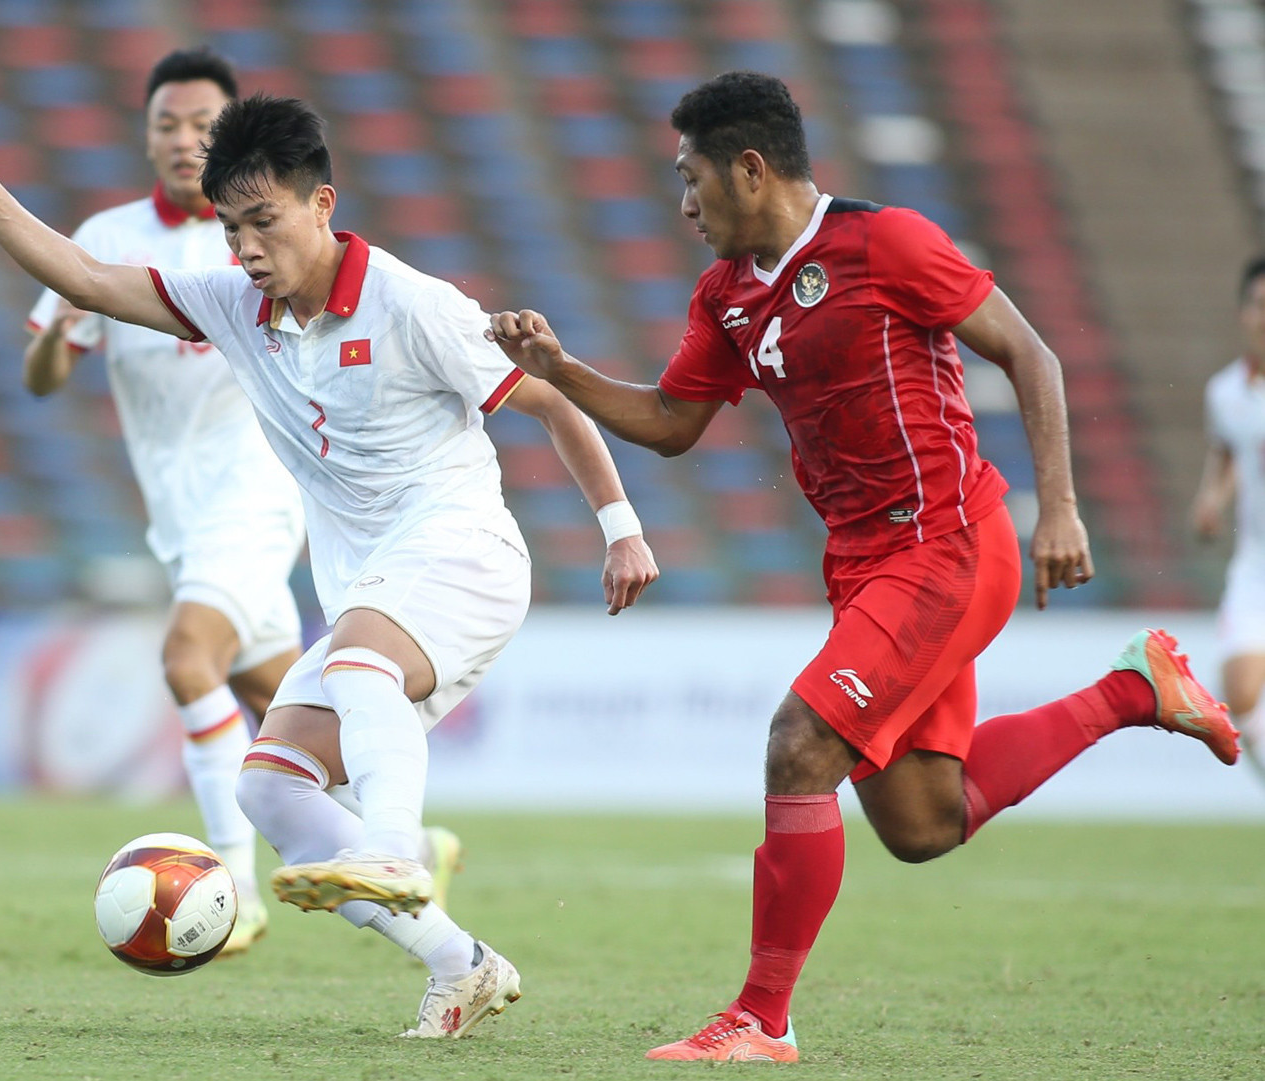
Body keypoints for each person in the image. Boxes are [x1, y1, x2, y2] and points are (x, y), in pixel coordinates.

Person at [486, 71, 1240, 1063]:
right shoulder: (724, 297)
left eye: (692, 179)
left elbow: (1031, 354)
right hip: (866, 563)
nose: (683, 203)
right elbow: (672, 424)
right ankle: (1133, 691)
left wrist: (1058, 507)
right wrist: (563, 371)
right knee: (924, 821)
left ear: (750, 170)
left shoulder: (886, 243)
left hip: (948, 544)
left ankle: (761, 1017)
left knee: (800, 744)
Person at [0, 87, 658, 1037]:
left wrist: (621, 526)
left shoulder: (411, 302)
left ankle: (393, 845)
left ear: (322, 204)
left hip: (462, 552)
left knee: (356, 658)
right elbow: (91, 281)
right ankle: (459, 963)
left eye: (264, 221)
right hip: (372, 588)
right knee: (269, 786)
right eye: (231, 227)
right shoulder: (234, 306)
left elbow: (551, 402)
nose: (247, 248)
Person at [21, 49, 465, 955]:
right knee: (273, 714)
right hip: (181, 518)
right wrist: (60, 333)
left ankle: (228, 888)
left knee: (188, 659)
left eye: (202, 126)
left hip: (257, 496)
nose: (184, 140)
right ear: (146, 136)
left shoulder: (265, 250)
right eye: (167, 125)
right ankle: (415, 847)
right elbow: (41, 375)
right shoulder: (105, 240)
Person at [1191, 255, 1265, 779]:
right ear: (1243, 312)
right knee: (1240, 699)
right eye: (1260, 305)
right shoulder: (1225, 392)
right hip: (1256, 566)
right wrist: (1211, 499)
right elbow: (1228, 454)